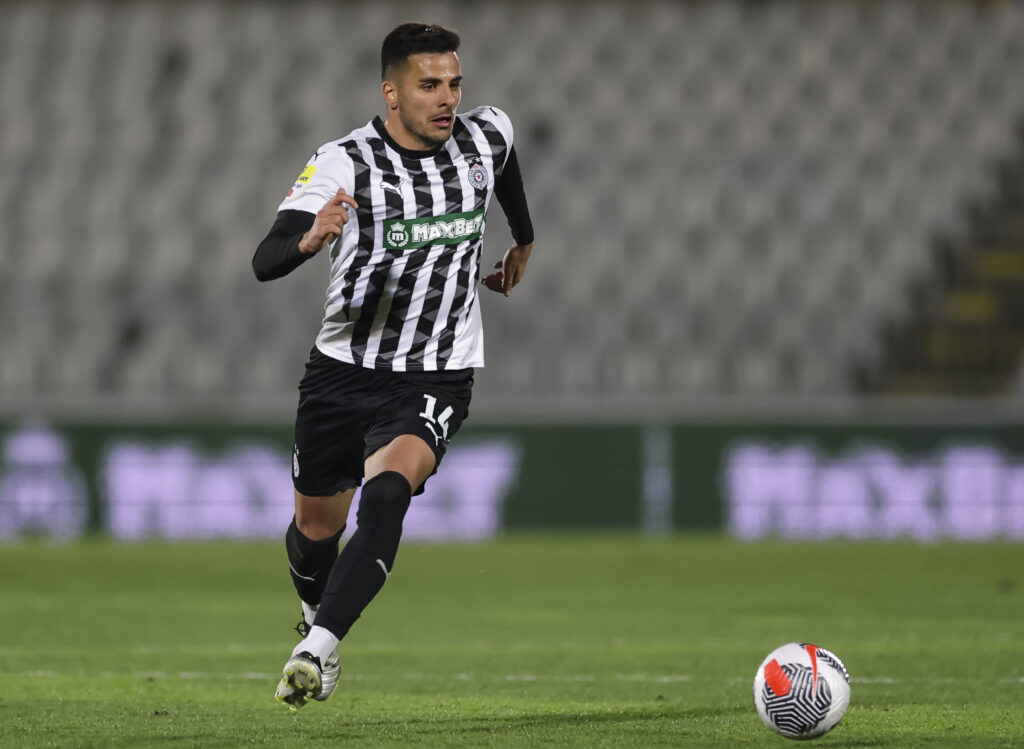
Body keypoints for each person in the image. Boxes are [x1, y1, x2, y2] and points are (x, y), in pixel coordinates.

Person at [252, 22, 534, 710]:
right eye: (429, 85)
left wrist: (523, 239)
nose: (447, 98)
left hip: (436, 371)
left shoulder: (485, 135)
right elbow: (265, 258)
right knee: (315, 532)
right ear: (392, 92)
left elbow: (505, 165)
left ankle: (316, 648)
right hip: (341, 370)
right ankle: (316, 615)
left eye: (454, 83)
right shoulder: (345, 162)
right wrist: (309, 240)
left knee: (387, 496)